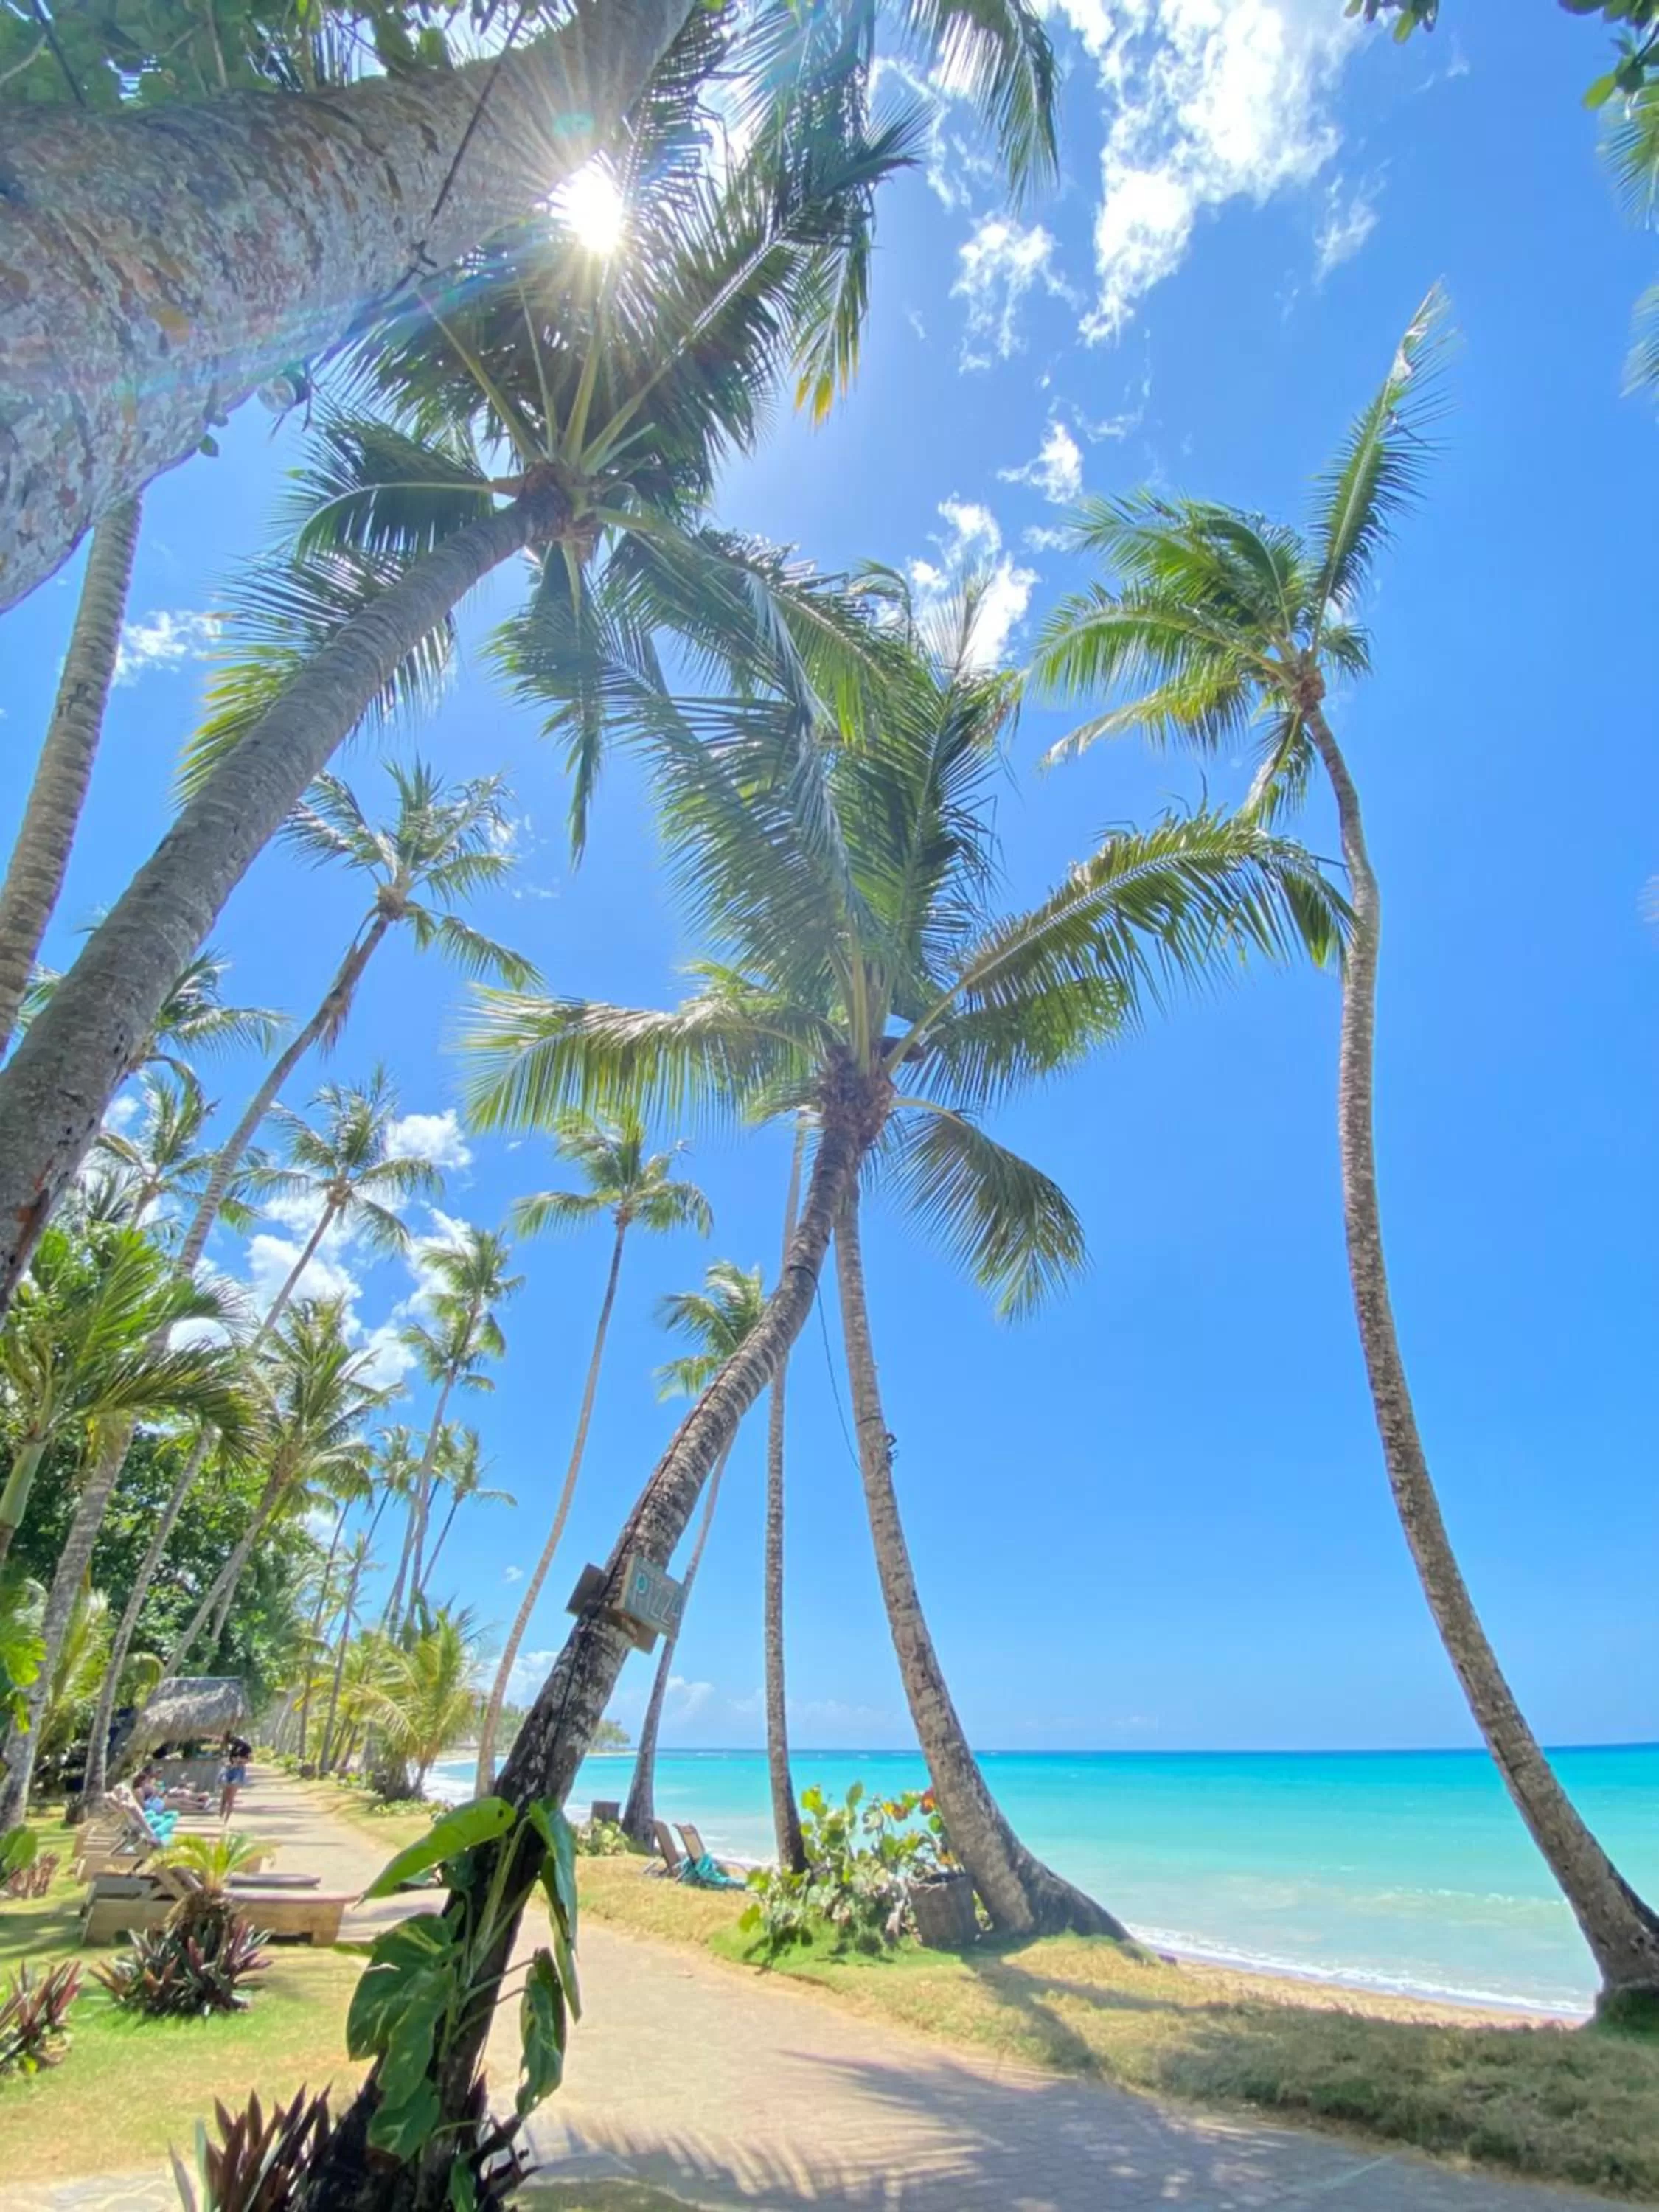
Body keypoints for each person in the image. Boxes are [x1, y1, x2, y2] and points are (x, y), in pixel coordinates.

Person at [218, 1733, 252, 1821]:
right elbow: (223, 1757)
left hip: (238, 1770)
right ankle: (221, 1817)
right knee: (224, 1797)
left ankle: (226, 1820)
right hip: (228, 1769)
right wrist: (227, 1762)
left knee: (231, 1798)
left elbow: (250, 1759)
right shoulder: (228, 1745)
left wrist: (239, 1761)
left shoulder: (246, 1747)